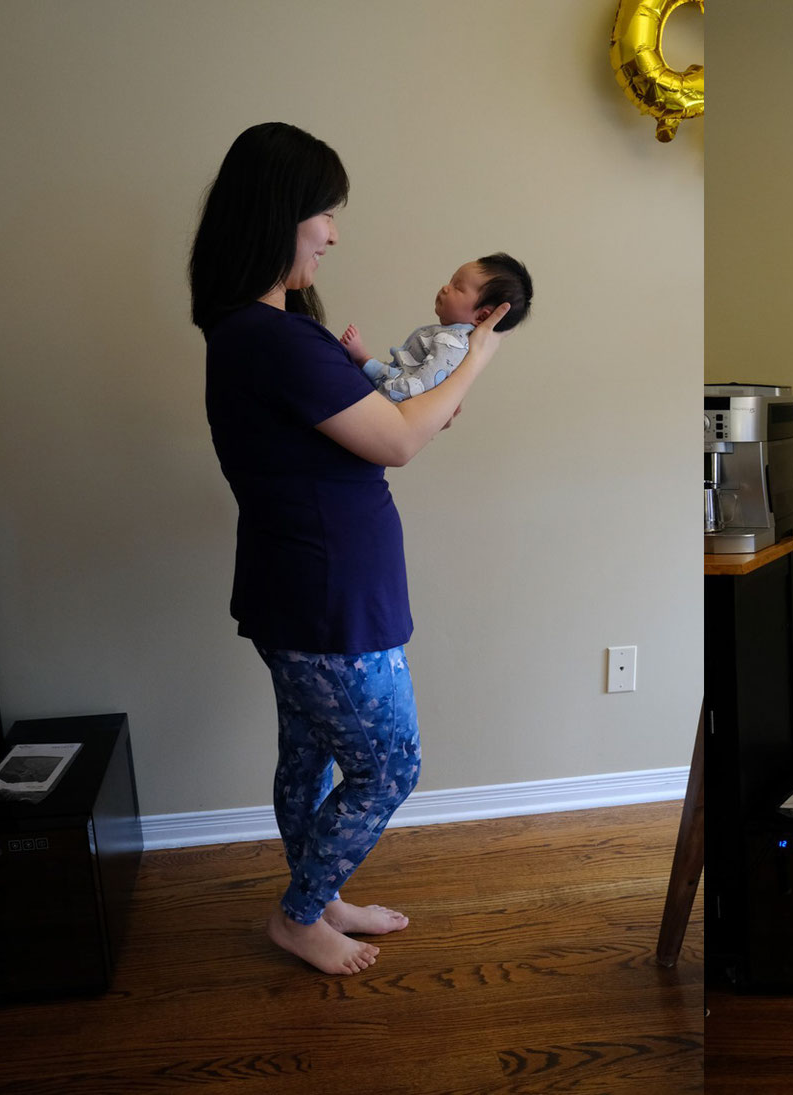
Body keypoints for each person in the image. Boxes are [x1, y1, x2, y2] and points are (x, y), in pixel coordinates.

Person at [190, 122, 511, 976]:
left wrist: (428, 402)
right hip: (327, 592)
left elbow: (389, 427)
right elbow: (400, 442)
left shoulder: (254, 331)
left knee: (310, 751)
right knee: (389, 766)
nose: (333, 233)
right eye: (323, 214)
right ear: (279, 214)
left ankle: (321, 889)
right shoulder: (272, 337)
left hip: (299, 583)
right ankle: (299, 915)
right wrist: (477, 357)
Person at [340, 254, 532, 402]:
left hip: (387, 403)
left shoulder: (452, 343)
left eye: (458, 287)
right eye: (451, 281)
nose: (445, 288)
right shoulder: (448, 336)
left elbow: (417, 385)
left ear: (481, 316)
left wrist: (368, 373)